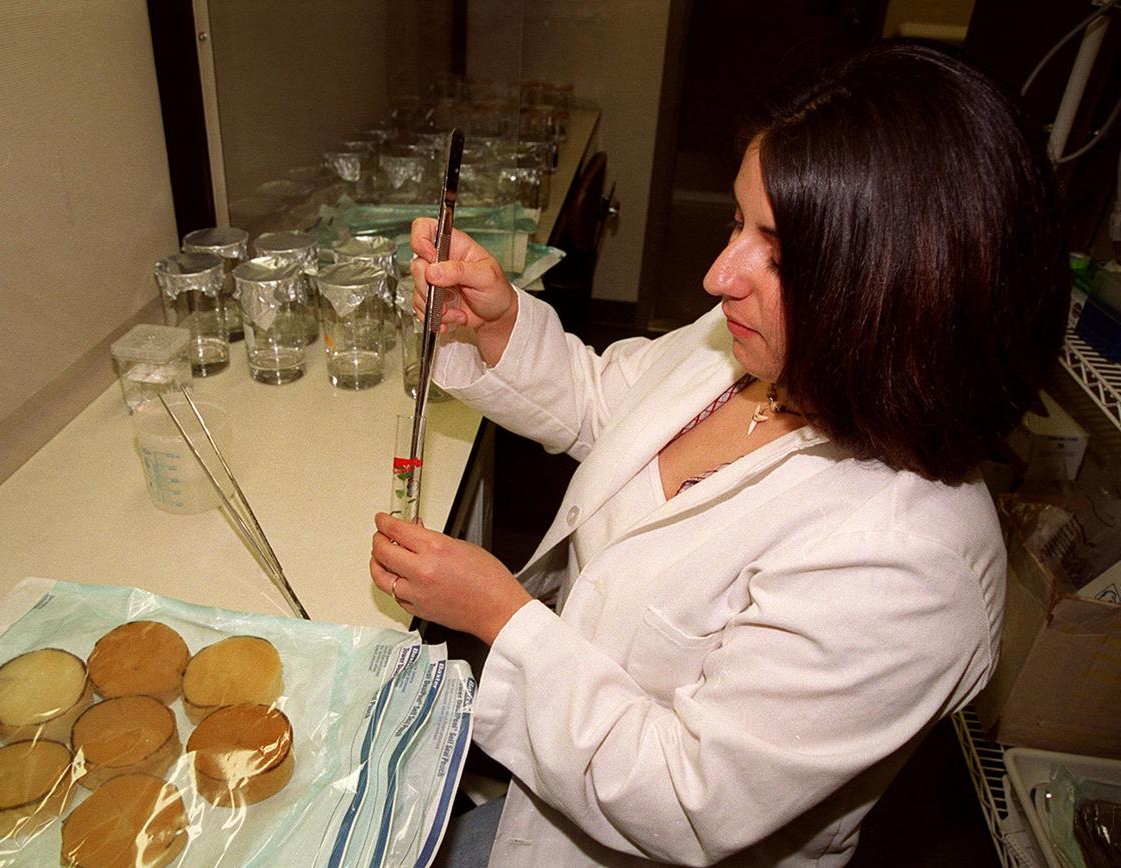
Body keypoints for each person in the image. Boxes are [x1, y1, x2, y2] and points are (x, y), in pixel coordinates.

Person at [370, 44, 1068, 866]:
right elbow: (611, 403)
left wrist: (500, 617)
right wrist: (497, 327)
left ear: (901, 291)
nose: (716, 276)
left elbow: (682, 799)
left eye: (779, 252)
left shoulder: (909, 564)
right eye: (739, 222)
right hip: (550, 802)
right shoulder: (769, 344)